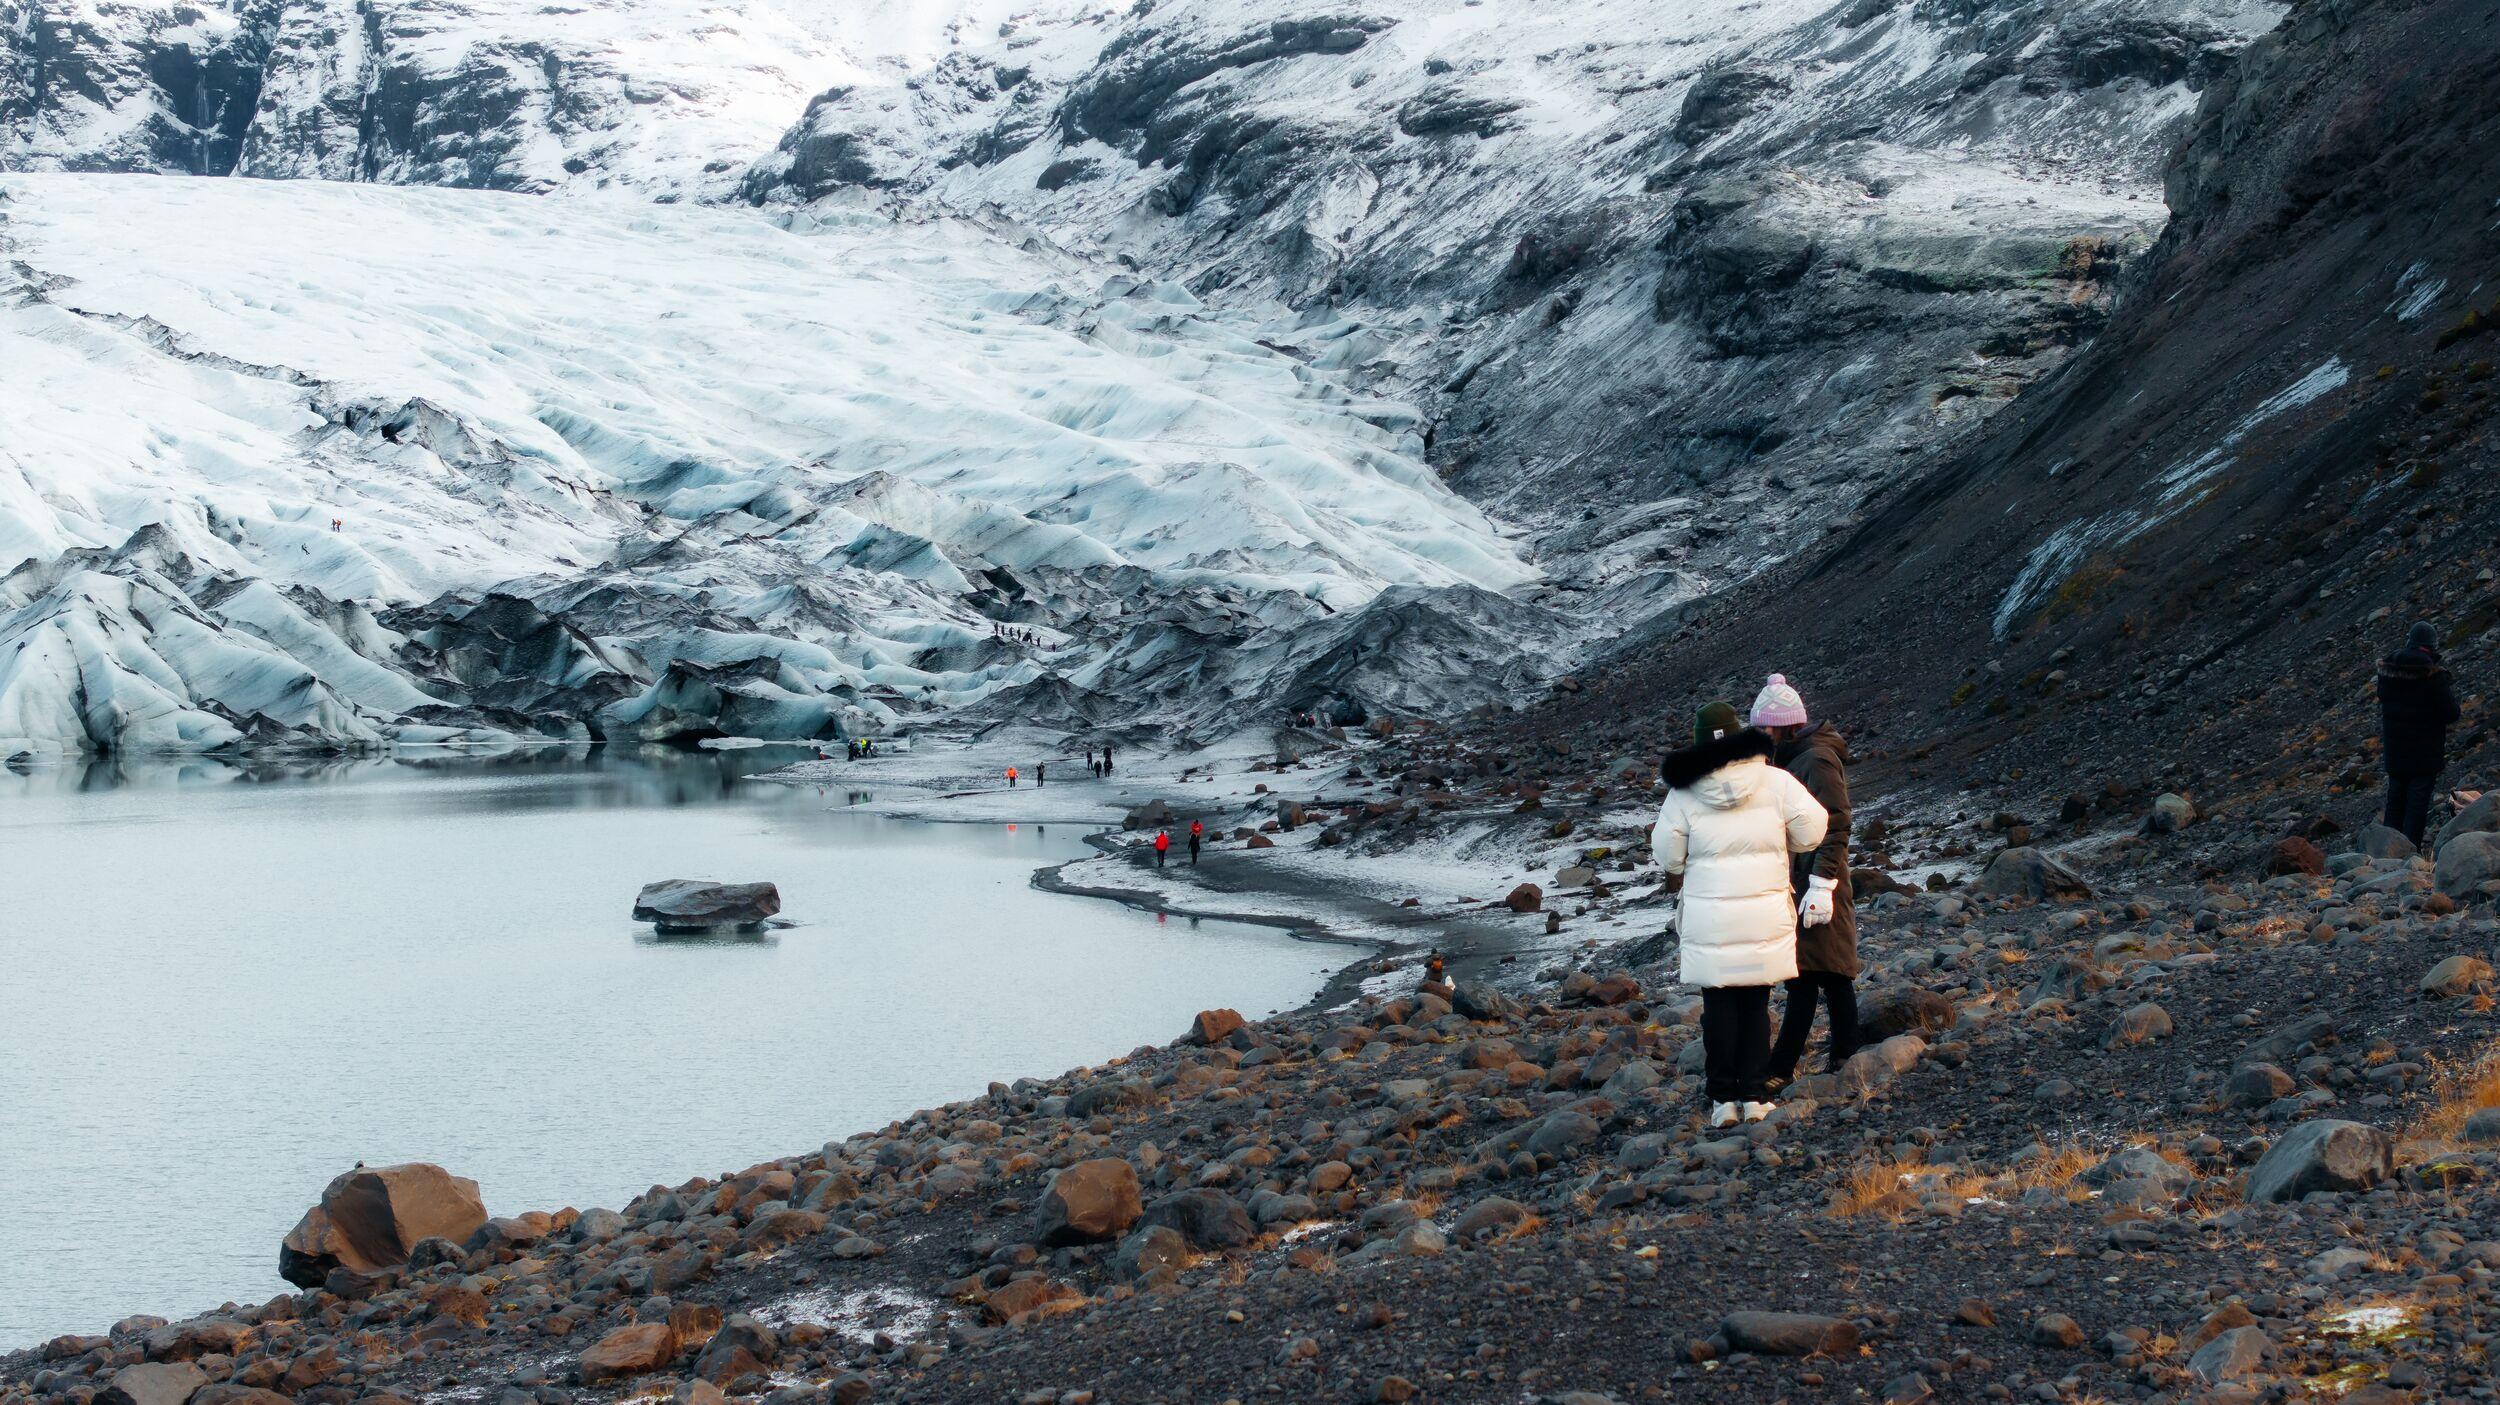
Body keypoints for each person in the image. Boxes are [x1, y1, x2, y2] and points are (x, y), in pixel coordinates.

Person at [1654, 700, 1827, 1127]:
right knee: (1756, 1000)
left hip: (1711, 916)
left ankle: (1721, 1102)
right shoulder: (1777, 781)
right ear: (1739, 735)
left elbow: (1668, 856)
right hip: (1764, 908)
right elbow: (1812, 829)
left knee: (1718, 1005)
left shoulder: (1684, 792)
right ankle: (1753, 1096)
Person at [1747, 674, 1861, 1086]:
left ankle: (1789, 1068)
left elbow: (1837, 821)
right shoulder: (1792, 756)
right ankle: (1841, 1057)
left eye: (1765, 727)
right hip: (1802, 877)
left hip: (1819, 880)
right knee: (1821, 973)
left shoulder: (1814, 759)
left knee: (1817, 975)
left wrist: (1822, 884)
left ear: (1784, 725)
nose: (1760, 734)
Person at [2380, 621, 2462, 847]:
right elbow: (2451, 713)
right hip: (2424, 753)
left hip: (2395, 751)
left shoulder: (2388, 670)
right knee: (2417, 802)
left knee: (2395, 798)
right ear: (2431, 645)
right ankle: (2408, 852)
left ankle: (2384, 852)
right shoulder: (2432, 675)